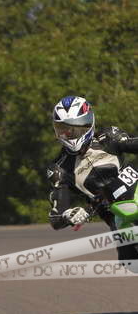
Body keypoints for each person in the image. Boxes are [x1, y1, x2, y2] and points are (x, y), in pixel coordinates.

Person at [47, 95, 138, 262]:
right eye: (62, 129)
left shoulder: (109, 137)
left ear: (87, 125)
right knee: (129, 261)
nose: (67, 134)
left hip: (135, 191)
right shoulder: (59, 169)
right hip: (115, 215)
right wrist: (69, 215)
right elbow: (56, 218)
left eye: (73, 130)